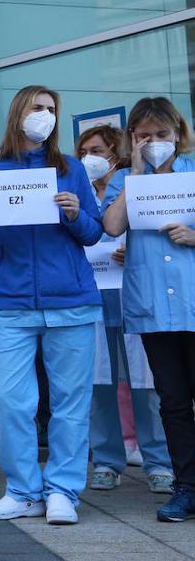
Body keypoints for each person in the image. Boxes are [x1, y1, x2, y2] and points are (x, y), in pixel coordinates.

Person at [0, 85, 102, 525]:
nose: (45, 116)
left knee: (70, 403)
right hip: (11, 306)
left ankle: (62, 491)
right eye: (38, 108)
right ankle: (22, 490)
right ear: (18, 113)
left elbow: (93, 233)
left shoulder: (71, 168)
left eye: (52, 110)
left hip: (71, 302)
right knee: (12, 402)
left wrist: (77, 213)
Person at [102, 97, 195, 521]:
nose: (154, 142)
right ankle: (187, 486)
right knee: (172, 401)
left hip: (192, 302)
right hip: (154, 307)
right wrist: (137, 172)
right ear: (132, 139)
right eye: (144, 136)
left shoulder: (193, 173)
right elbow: (112, 226)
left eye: (161, 134)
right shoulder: (124, 178)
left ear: (177, 133)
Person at [77, 125, 174, 495]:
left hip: (134, 295)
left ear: (116, 154)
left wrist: (129, 251)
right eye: (84, 150)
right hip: (93, 299)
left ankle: (158, 461)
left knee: (145, 386)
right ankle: (106, 460)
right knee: (99, 383)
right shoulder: (78, 190)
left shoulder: (134, 184)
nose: (90, 157)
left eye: (97, 149)